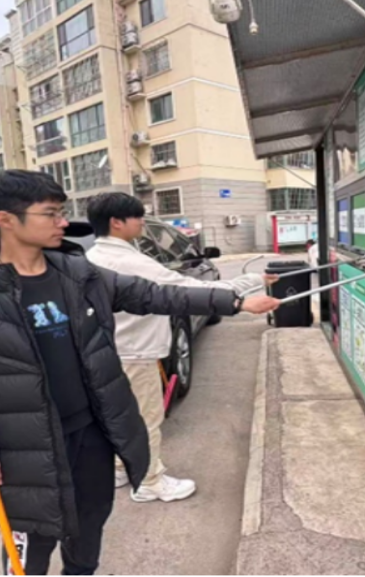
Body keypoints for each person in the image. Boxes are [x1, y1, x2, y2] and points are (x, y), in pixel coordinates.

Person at [0, 170, 280, 576]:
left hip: (91, 433)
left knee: (90, 520)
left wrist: (234, 302)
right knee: (31, 538)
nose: (63, 222)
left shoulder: (79, 276)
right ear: (6, 220)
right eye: (50, 214)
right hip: (20, 449)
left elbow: (154, 294)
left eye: (61, 212)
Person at [85, 192, 278, 503]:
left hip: (105, 353)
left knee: (117, 417)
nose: (142, 222)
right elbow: (190, 290)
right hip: (135, 353)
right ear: (116, 222)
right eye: (137, 217)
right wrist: (250, 286)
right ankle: (149, 481)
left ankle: (121, 468)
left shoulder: (92, 258)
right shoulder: (129, 262)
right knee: (144, 419)